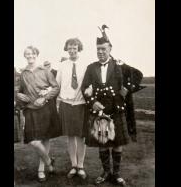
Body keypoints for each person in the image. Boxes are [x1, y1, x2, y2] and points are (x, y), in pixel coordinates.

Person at [81, 26, 132, 186]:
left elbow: (134, 79)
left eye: (103, 49)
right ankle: (105, 172)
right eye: (98, 49)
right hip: (100, 110)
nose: (100, 52)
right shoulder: (91, 67)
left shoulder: (119, 66)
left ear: (110, 48)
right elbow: (84, 88)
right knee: (102, 143)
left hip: (116, 110)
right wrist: (92, 101)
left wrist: (124, 93)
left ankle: (116, 174)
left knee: (117, 144)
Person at [16, 46, 61, 182]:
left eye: (32, 53)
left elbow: (56, 87)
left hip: (45, 109)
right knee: (34, 142)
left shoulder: (45, 71)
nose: (30, 56)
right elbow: (19, 90)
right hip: (30, 109)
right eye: (27, 54)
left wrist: (46, 96)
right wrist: (18, 94)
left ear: (36, 54)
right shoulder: (22, 73)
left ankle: (41, 170)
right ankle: (49, 161)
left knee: (45, 139)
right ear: (25, 56)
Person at [56, 38, 88, 179]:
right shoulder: (62, 65)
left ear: (79, 48)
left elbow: (90, 83)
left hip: (81, 104)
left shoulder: (86, 64)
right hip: (66, 104)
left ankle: (81, 166)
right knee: (70, 136)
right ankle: (73, 165)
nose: (72, 50)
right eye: (70, 47)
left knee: (81, 136)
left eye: (75, 47)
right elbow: (57, 85)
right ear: (66, 49)